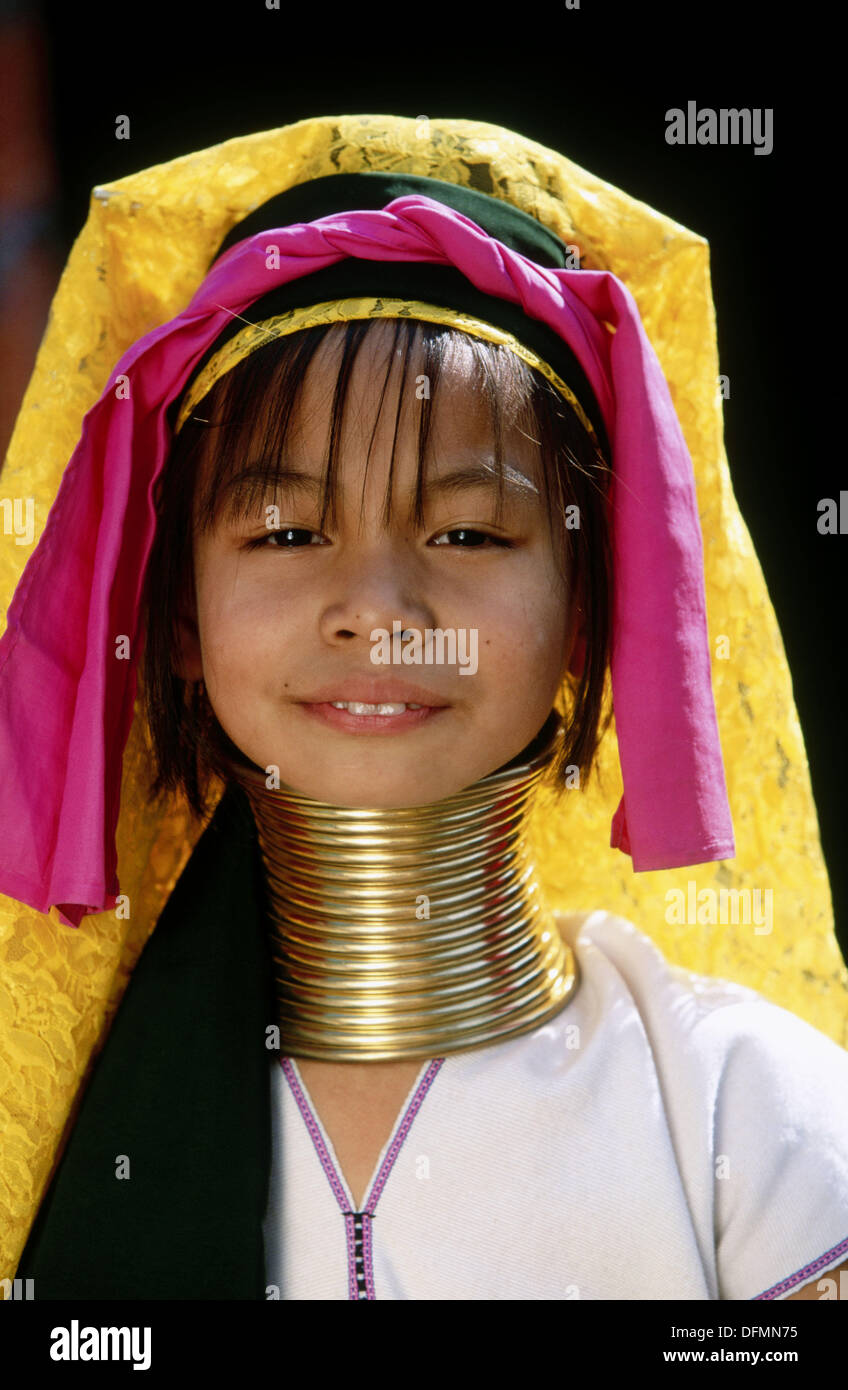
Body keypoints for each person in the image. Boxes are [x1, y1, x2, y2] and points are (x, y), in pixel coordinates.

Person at [1, 115, 847, 1302]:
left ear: (592, 612)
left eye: (466, 531)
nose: (378, 610)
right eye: (287, 533)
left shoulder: (749, 1122)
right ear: (177, 620)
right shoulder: (27, 1119)